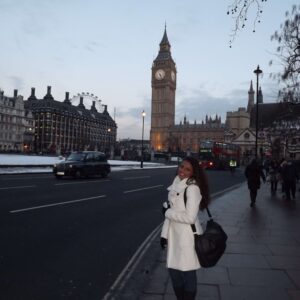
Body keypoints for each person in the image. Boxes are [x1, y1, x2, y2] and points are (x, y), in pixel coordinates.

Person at [160, 156, 210, 300]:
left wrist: (167, 212)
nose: (182, 170)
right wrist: (164, 235)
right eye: (181, 166)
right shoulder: (176, 184)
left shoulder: (192, 189)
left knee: (188, 272)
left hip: (187, 237)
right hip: (174, 236)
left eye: (187, 169)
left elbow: (189, 217)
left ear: (193, 173)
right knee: (174, 273)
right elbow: (169, 214)